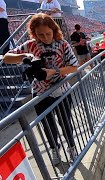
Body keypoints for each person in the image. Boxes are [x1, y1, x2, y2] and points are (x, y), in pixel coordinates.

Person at [3, 13, 79, 165]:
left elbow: (74, 67)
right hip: (40, 93)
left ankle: (71, 148)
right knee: (47, 125)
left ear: (54, 30)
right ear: (34, 33)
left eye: (48, 34)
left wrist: (54, 72)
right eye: (40, 35)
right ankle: (54, 149)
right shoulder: (31, 45)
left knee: (65, 123)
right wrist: (24, 55)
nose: (45, 38)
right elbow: (6, 57)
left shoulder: (63, 44)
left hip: (61, 90)